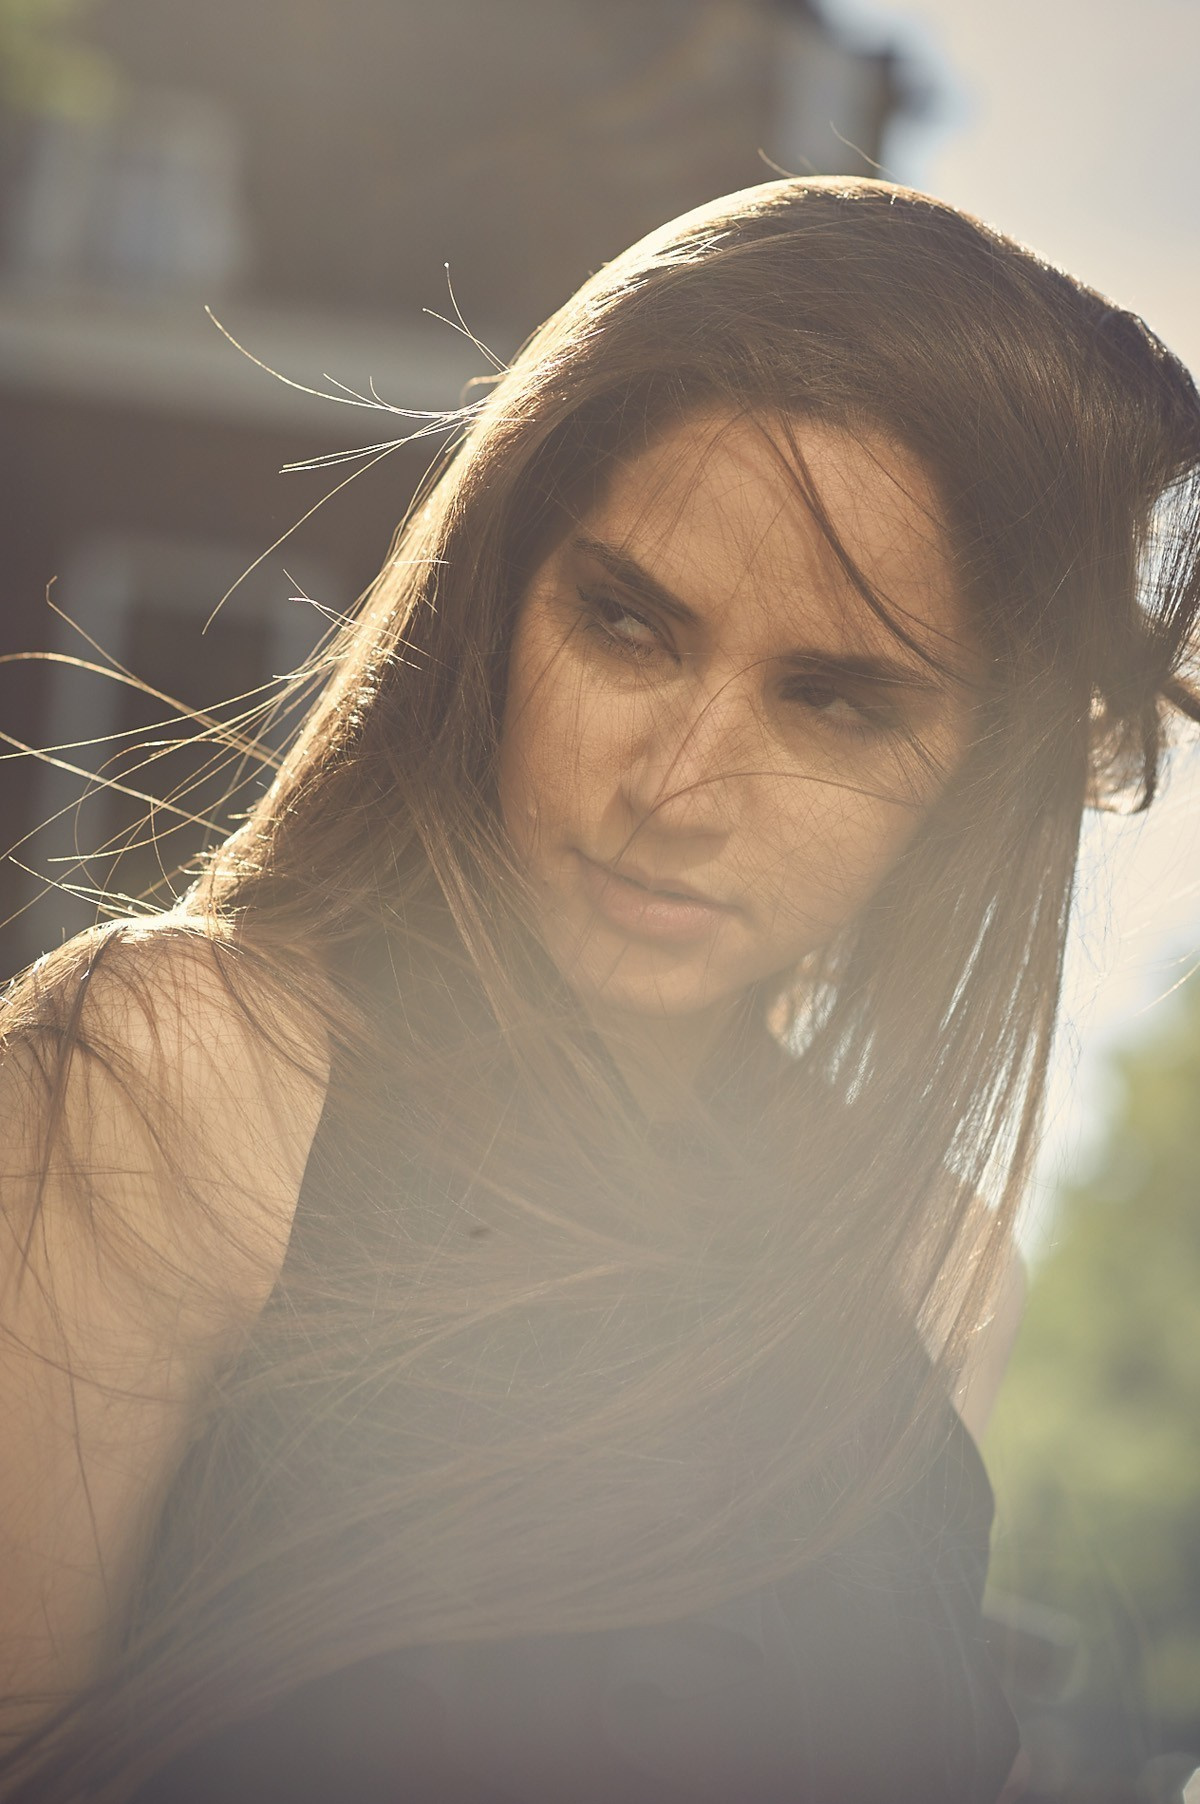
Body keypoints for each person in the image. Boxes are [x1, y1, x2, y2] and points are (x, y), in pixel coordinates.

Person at [1, 176, 1198, 1804]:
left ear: (974, 782)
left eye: (835, 703)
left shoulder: (939, 1271)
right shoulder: (180, 1072)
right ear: (500, 599)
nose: (678, 786)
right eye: (630, 624)